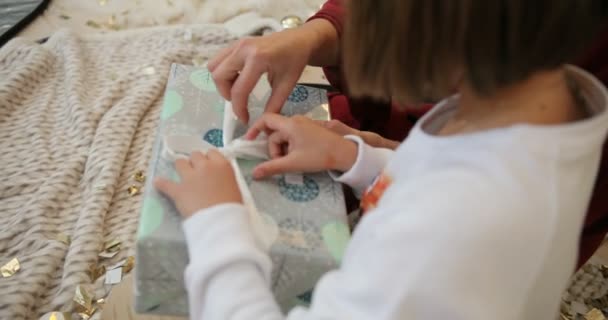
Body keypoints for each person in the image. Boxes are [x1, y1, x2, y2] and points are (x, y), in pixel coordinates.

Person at [155, 1, 608, 319]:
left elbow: (446, 214)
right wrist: (360, 157)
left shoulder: (436, 235)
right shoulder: (567, 102)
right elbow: (454, 180)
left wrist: (218, 223)